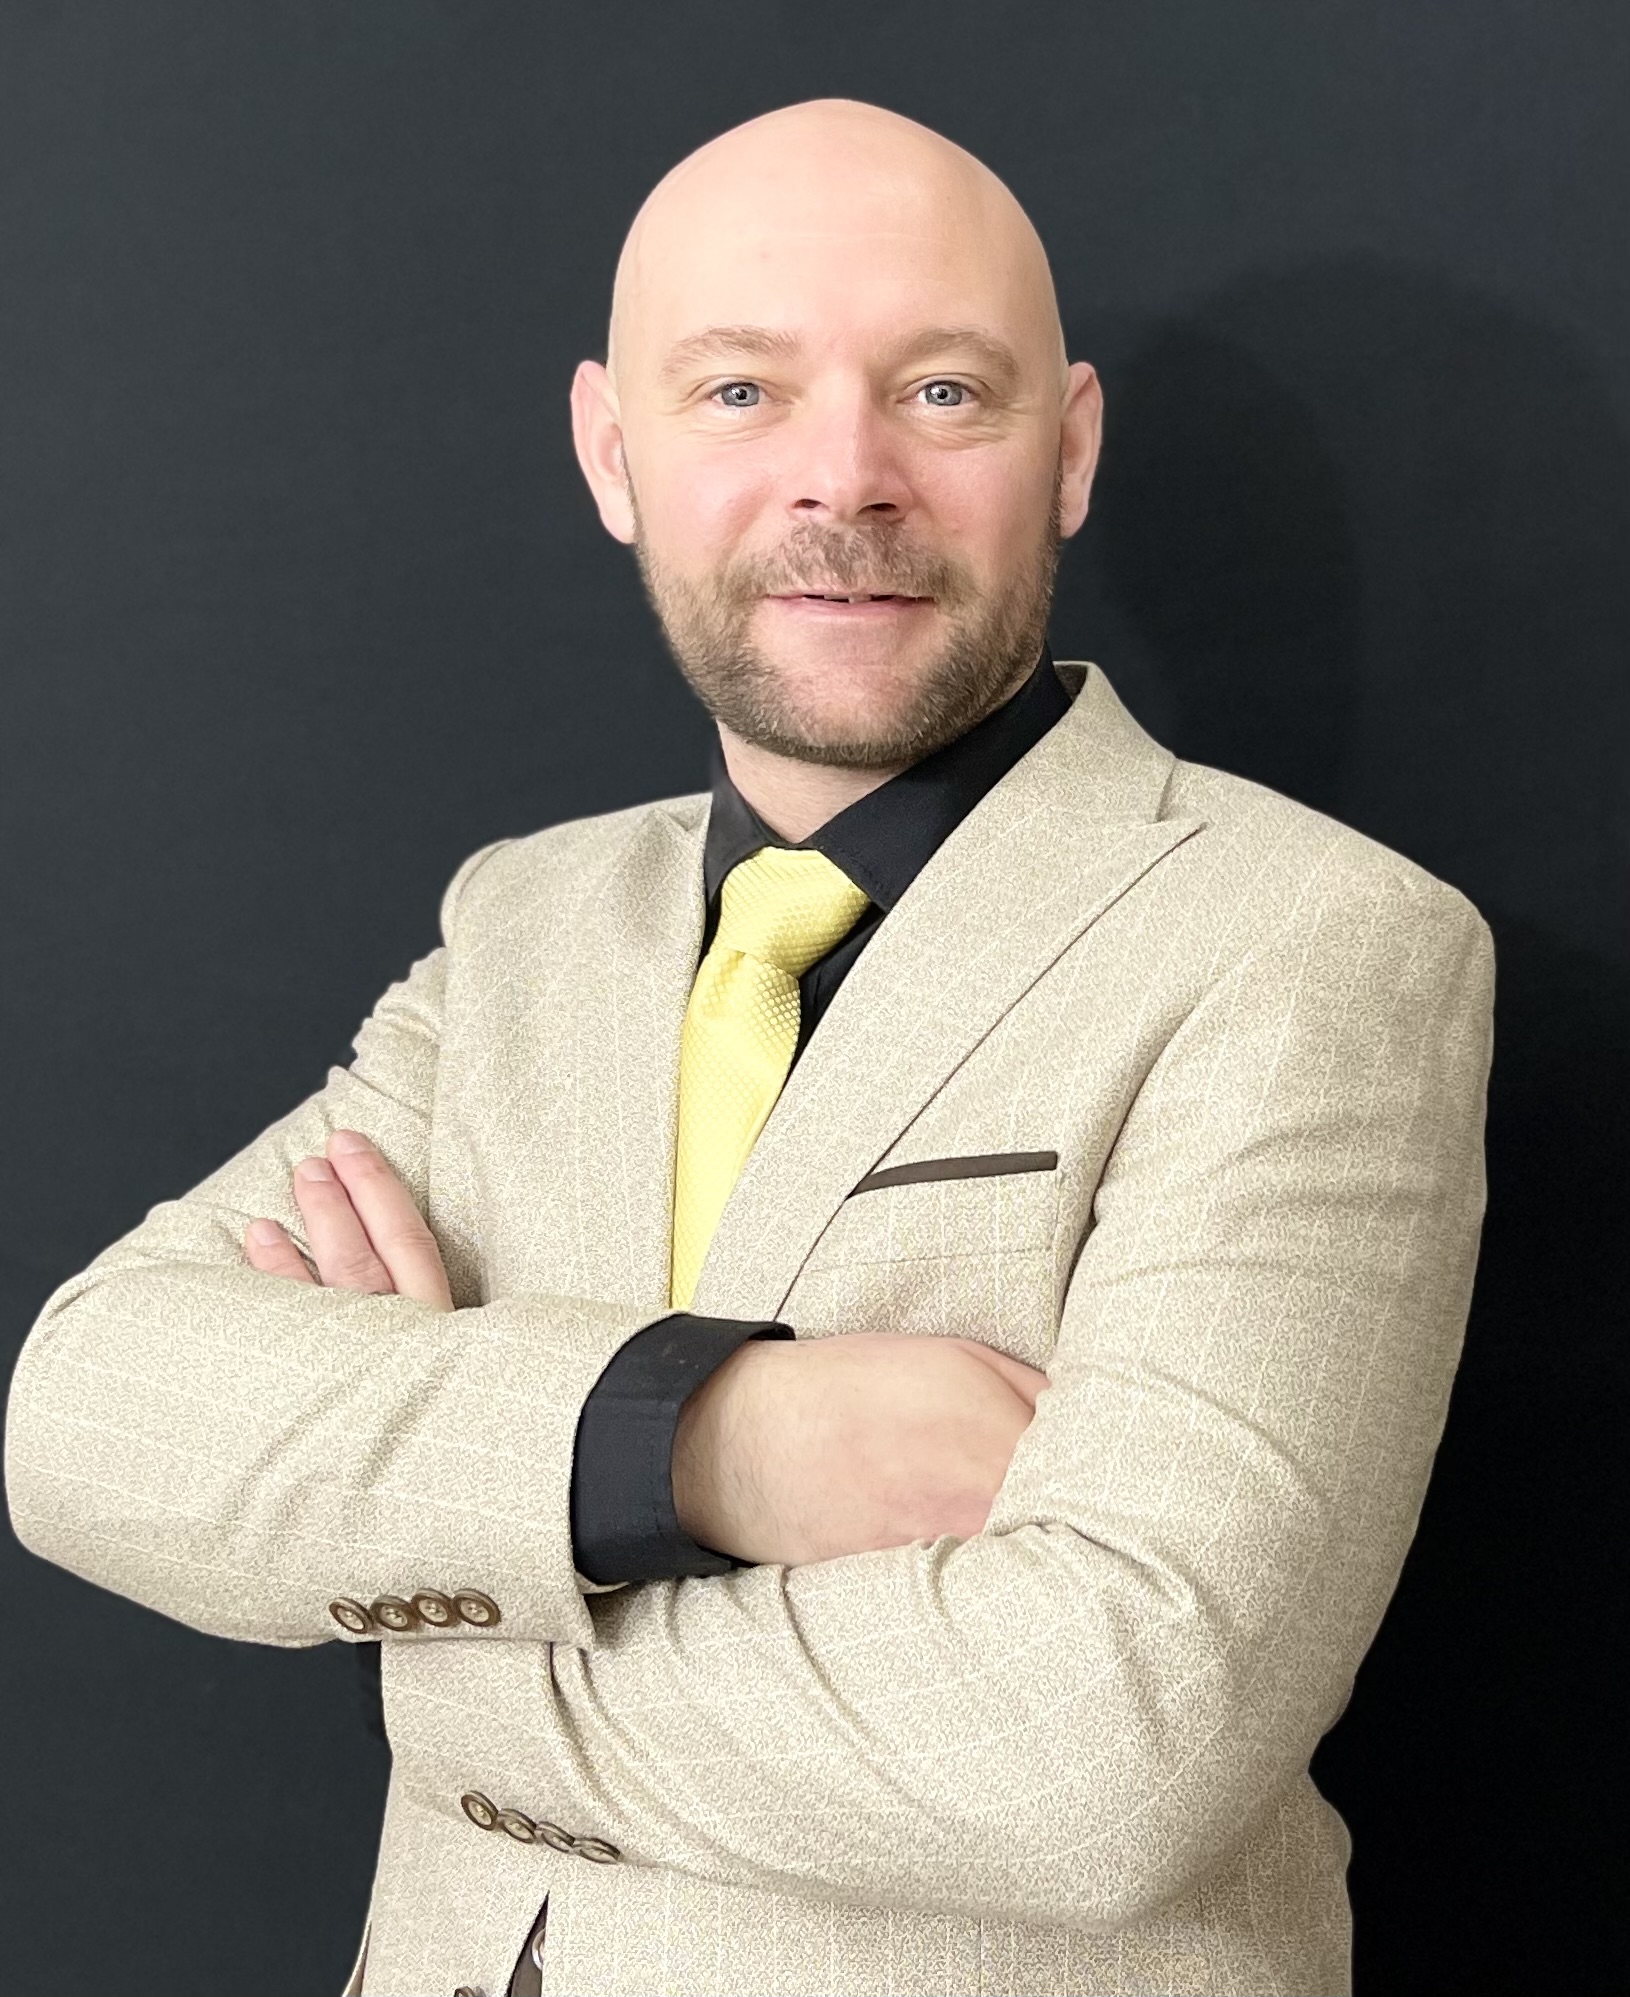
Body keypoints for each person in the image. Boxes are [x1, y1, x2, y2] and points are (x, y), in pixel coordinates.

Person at [3, 98, 1494, 1997]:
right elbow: (85, 1414)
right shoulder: (521, 925)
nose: (843, 480)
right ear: (611, 455)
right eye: (739, 394)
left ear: (1072, 450)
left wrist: (425, 1619)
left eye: (943, 393)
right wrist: (699, 1446)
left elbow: (1108, 1751)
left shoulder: (1313, 944)